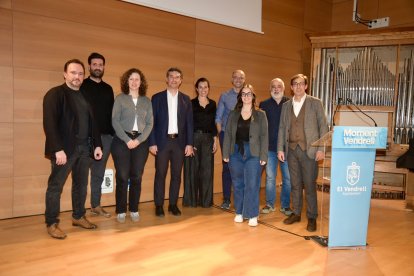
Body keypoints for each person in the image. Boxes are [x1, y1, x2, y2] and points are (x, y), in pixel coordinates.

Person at [43, 59, 103, 239]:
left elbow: (94, 123)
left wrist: (97, 145)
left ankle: (78, 216)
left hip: (85, 149)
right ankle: (52, 222)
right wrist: (57, 149)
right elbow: (49, 124)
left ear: (83, 76)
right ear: (65, 74)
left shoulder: (85, 96)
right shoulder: (55, 94)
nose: (77, 77)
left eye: (80, 73)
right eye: (73, 73)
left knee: (81, 185)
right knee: (56, 186)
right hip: (65, 150)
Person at [277, 74, 328, 232]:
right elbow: (281, 128)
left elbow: (323, 127)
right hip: (291, 150)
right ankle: (296, 212)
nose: (298, 87)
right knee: (295, 184)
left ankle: (312, 216)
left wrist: (321, 149)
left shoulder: (315, 103)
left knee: (310, 185)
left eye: (301, 84)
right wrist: (280, 148)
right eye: (295, 84)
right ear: (291, 88)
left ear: (306, 86)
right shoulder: (286, 106)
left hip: (310, 151)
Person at [149, 67, 194, 217]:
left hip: (179, 143)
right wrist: (152, 142)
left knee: (176, 175)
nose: (174, 79)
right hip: (162, 142)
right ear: (167, 79)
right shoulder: (156, 98)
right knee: (160, 174)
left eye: (177, 77)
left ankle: (173, 204)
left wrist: (189, 144)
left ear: (181, 80)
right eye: (171, 77)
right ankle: (159, 205)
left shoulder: (186, 99)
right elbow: (152, 123)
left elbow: (189, 124)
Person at [223, 84, 268, 227]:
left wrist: (264, 156)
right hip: (235, 151)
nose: (246, 96)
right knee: (237, 184)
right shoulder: (233, 113)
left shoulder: (261, 114)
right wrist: (225, 153)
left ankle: (252, 214)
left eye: (249, 94)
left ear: (253, 96)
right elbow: (228, 134)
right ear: (240, 97)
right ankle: (239, 212)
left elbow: (264, 136)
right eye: (243, 94)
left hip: (253, 153)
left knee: (252, 184)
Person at [111, 68, 153, 223]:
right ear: (126, 81)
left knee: (137, 176)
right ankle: (121, 209)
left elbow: (149, 124)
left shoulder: (146, 101)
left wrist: (138, 140)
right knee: (122, 175)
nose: (134, 82)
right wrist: (127, 140)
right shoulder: (120, 99)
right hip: (122, 141)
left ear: (141, 82)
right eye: (131, 79)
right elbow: (115, 120)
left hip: (140, 141)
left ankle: (134, 208)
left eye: (137, 79)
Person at [81, 52, 114, 218]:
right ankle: (79, 211)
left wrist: (113, 136)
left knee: (99, 173)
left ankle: (96, 205)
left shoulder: (108, 89)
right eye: (94, 64)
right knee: (81, 173)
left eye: (100, 65)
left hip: (106, 138)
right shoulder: (82, 86)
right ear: (89, 67)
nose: (97, 67)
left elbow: (111, 115)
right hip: (86, 137)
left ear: (103, 67)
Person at [183, 77, 218, 208]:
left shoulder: (213, 104)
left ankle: (206, 201)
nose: (203, 89)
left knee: (207, 171)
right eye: (201, 87)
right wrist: (189, 143)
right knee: (192, 170)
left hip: (208, 139)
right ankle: (191, 201)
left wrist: (215, 139)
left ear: (209, 89)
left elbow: (214, 123)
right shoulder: (190, 103)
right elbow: (187, 123)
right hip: (194, 138)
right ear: (196, 89)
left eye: (206, 87)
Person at [259, 78, 292, 216]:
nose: (276, 89)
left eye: (279, 86)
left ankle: (285, 206)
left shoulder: (290, 103)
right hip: (270, 148)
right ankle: (270, 204)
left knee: (288, 178)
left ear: (283, 88)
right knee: (270, 178)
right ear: (270, 88)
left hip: (287, 148)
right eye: (273, 86)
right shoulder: (264, 104)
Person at [215, 70, 246, 209]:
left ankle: (242, 199)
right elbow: (218, 118)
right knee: (227, 167)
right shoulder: (225, 96)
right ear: (232, 79)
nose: (238, 80)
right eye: (236, 77)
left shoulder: (248, 95)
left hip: (244, 137)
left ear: (244, 80)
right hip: (226, 136)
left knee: (243, 167)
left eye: (241, 78)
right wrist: (220, 135)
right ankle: (226, 199)